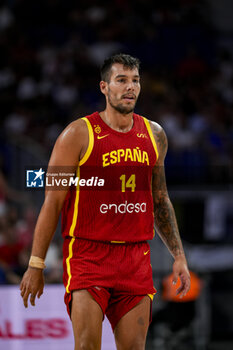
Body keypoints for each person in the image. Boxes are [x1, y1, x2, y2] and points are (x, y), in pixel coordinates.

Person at [20, 53, 190, 350]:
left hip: (135, 257)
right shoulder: (77, 134)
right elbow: (52, 202)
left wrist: (179, 256)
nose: (130, 87)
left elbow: (160, 199)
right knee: (87, 346)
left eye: (135, 80)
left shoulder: (155, 135)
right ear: (104, 87)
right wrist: (36, 264)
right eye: (121, 80)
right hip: (88, 254)